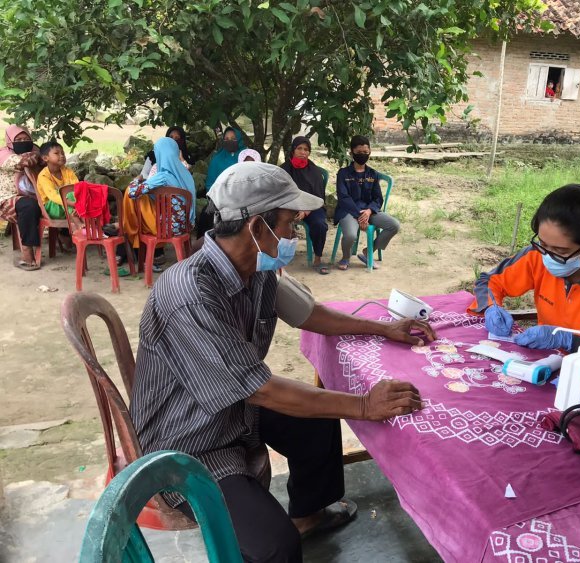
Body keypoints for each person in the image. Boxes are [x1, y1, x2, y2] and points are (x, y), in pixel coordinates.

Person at [130, 162, 435, 562]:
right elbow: (261, 389)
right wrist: (363, 405)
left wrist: (382, 327)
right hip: (189, 441)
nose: (293, 233)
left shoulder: (254, 267)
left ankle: (307, 515)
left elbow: (309, 313)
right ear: (258, 228)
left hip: (234, 410)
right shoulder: (190, 295)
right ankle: (287, 534)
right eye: (289, 223)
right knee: (276, 548)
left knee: (318, 417)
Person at [469, 184, 580, 392]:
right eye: (542, 243)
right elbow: (489, 281)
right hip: (548, 366)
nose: (547, 256)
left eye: (559, 250)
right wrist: (492, 306)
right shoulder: (537, 255)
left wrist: (568, 341)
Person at [122, 137, 196, 270]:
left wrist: (136, 181)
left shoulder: (162, 176)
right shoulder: (185, 172)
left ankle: (124, 228)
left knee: (132, 195)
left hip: (165, 228)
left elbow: (133, 192)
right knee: (147, 200)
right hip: (185, 225)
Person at [333, 135, 400, 271]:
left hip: (369, 211)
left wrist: (369, 211)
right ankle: (345, 256)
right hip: (349, 211)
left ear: (370, 152)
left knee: (394, 225)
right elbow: (343, 198)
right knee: (351, 235)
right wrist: (359, 215)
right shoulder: (343, 173)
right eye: (359, 152)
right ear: (351, 153)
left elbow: (378, 198)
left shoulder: (372, 174)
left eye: (365, 152)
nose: (363, 155)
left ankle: (368, 251)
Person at [280, 136, 329, 275]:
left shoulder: (314, 171)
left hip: (312, 207)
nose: (303, 152)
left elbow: (319, 196)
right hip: (289, 207)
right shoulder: (283, 170)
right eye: (299, 148)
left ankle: (318, 258)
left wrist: (306, 210)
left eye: (306, 149)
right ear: (293, 150)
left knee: (320, 224)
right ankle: (277, 258)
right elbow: (280, 194)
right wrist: (294, 209)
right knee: (276, 221)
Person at [0, 125, 42, 270]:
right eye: (18, 139)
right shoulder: (3, 154)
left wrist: (38, 155)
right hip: (8, 198)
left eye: (26, 139)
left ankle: (65, 239)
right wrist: (38, 155)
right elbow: (25, 162)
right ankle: (27, 253)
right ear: (9, 141)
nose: (23, 142)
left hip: (34, 195)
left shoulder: (35, 150)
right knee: (28, 206)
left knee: (57, 200)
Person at [36, 141, 79, 220]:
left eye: (63, 153)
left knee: (81, 190)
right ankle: (78, 224)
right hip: (51, 209)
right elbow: (53, 196)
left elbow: (77, 188)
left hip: (71, 205)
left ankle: (82, 219)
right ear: (45, 158)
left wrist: (79, 204)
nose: (62, 156)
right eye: (57, 153)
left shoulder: (68, 171)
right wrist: (75, 204)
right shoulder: (43, 175)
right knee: (65, 194)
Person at [205, 127, 245, 192]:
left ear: (239, 140)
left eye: (233, 138)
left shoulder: (247, 157)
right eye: (226, 139)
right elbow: (210, 185)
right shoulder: (216, 160)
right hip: (223, 198)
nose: (230, 141)